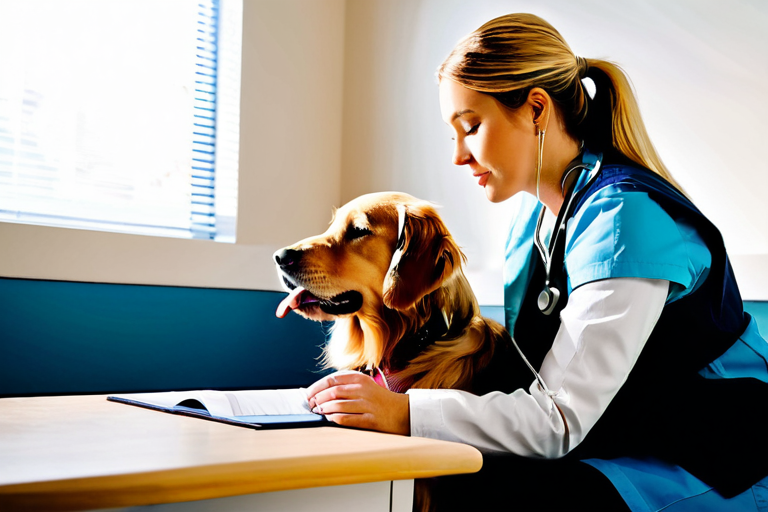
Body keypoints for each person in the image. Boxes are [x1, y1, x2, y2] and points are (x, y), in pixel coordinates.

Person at [306, 13, 768, 511]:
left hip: (718, 461)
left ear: (536, 110)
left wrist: (404, 411)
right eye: (452, 133)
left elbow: (559, 420)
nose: (459, 156)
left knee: (497, 497)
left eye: (472, 126)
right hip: (622, 443)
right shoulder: (535, 222)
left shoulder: (623, 218)